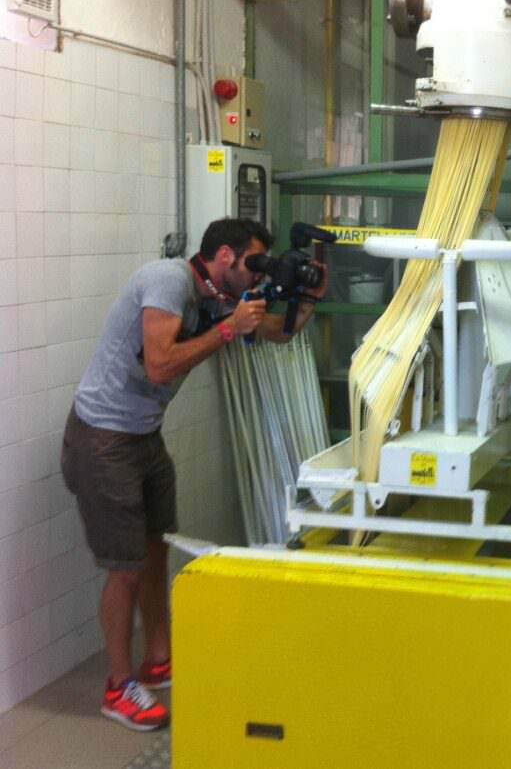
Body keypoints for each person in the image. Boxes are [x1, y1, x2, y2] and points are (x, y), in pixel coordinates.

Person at [60, 217, 327, 731]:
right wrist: (228, 329)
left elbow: (277, 333)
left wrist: (308, 297)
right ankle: (117, 688)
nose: (257, 275)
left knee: (156, 546)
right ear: (224, 256)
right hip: (102, 440)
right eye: (253, 263)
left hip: (143, 436)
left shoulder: (216, 299)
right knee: (125, 566)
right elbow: (160, 365)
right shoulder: (168, 280)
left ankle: (158, 659)